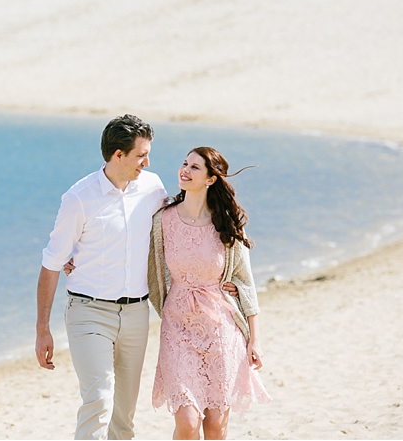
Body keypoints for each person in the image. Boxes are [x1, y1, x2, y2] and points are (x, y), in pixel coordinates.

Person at [35, 114, 167, 439]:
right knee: (98, 399)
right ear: (117, 155)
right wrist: (42, 330)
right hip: (88, 312)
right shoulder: (79, 198)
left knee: (124, 416)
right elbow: (51, 263)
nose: (147, 162)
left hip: (137, 314)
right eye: (140, 155)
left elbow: (176, 231)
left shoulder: (153, 187)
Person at [148, 147, 271, 440]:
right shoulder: (163, 219)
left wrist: (255, 339)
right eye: (184, 163)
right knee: (188, 422)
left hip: (221, 329)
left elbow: (246, 282)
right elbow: (138, 258)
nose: (184, 171)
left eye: (194, 168)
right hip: (177, 328)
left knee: (216, 425)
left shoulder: (226, 225)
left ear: (211, 180)